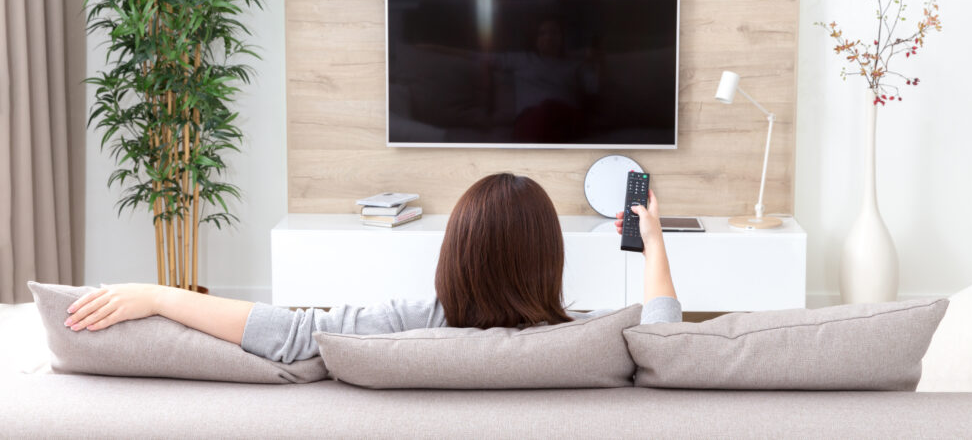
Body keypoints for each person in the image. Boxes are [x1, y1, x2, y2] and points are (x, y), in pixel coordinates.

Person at [64, 173, 680, 363]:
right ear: (552, 257)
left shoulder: (405, 326)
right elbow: (664, 341)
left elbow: (289, 333)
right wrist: (652, 241)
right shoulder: (589, 337)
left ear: (455, 251)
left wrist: (159, 295)